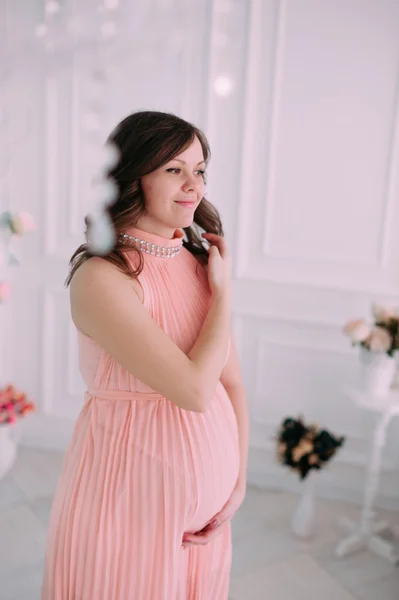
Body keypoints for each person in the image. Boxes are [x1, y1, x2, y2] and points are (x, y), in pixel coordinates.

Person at [41, 110, 250, 600]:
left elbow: (231, 383)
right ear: (133, 175)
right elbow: (195, 392)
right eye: (174, 169)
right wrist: (224, 295)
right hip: (127, 506)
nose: (193, 185)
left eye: (199, 170)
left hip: (205, 528)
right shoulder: (104, 278)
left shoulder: (197, 260)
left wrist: (236, 485)